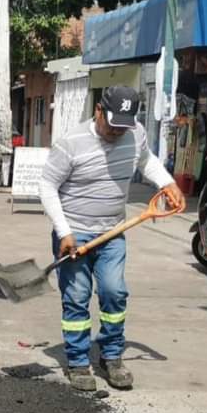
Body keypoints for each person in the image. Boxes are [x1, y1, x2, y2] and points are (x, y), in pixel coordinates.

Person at [38, 85, 184, 392]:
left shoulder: (135, 133)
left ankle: (112, 356)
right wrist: (64, 231)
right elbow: (47, 186)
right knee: (76, 298)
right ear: (98, 111)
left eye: (124, 125)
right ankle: (78, 362)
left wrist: (167, 182)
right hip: (74, 235)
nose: (118, 131)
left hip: (113, 232)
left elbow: (146, 161)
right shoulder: (71, 143)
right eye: (113, 123)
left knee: (114, 292)